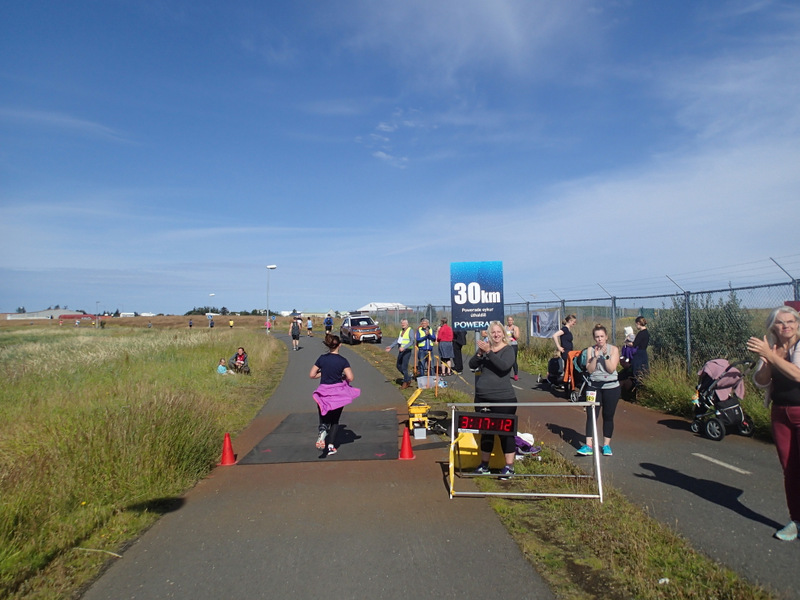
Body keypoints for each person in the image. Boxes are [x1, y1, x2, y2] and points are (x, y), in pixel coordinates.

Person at [747, 306, 800, 541]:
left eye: (791, 321)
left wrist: (770, 356)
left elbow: (798, 374)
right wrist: (767, 360)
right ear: (772, 326)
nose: (786, 326)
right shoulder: (772, 347)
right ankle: (796, 521)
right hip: (780, 412)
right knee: (790, 469)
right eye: (780, 322)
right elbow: (760, 381)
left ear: (798, 324)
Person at [469, 321, 518, 479]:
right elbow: (471, 365)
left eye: (498, 332)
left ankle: (509, 467)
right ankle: (484, 465)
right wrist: (480, 354)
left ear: (503, 333)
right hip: (483, 398)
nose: (496, 335)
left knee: (505, 433)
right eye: (493, 332)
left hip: (503, 398)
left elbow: (503, 367)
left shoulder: (508, 350)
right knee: (486, 432)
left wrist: (489, 352)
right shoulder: (485, 349)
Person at [310, 333, 361, 456]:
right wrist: (342, 377)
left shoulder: (322, 358)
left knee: (324, 414)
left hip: (323, 392)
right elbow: (351, 377)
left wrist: (323, 373)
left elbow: (312, 375)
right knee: (335, 421)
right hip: (338, 393)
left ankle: (322, 429)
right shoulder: (343, 361)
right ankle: (331, 446)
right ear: (340, 345)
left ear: (328, 345)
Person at [576, 324, 621, 457]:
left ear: (606, 337)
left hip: (611, 387)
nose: (599, 339)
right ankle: (588, 445)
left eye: (602, 336)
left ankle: (606, 445)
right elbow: (589, 369)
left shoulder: (613, 350)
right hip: (594, 386)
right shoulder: (590, 350)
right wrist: (595, 357)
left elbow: (611, 369)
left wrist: (605, 356)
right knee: (591, 416)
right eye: (597, 337)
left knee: (608, 416)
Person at [386, 318, 415, 389]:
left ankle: (405, 382)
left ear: (407, 324)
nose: (402, 325)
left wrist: (404, 347)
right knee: (398, 365)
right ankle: (408, 378)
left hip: (407, 350)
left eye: (404, 323)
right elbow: (398, 340)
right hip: (401, 350)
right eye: (402, 323)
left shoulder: (410, 330)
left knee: (404, 367)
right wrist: (391, 346)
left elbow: (412, 341)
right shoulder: (401, 331)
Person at [505, 316, 521, 381]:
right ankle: (506, 374)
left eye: (511, 320)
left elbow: (517, 337)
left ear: (513, 321)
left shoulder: (515, 328)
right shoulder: (505, 327)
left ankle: (516, 374)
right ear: (507, 321)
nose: (510, 321)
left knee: (514, 360)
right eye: (509, 320)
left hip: (513, 345)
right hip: (506, 344)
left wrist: (513, 332)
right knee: (506, 359)